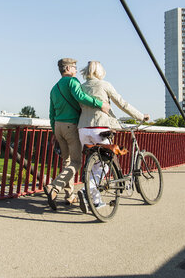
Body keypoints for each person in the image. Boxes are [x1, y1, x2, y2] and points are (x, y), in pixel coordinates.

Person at [76, 61, 149, 213]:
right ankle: (86, 191)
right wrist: (141, 116)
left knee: (94, 165)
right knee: (106, 165)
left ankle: (95, 201)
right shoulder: (105, 85)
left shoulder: (81, 87)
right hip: (100, 128)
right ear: (100, 71)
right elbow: (122, 104)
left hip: (83, 129)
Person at [44, 58, 110, 210]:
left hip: (59, 127)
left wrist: (55, 131)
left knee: (67, 161)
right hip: (71, 126)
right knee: (76, 162)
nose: (75, 69)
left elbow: (51, 113)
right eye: (73, 67)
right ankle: (53, 187)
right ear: (67, 68)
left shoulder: (54, 88)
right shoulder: (72, 82)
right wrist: (100, 104)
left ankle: (69, 196)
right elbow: (81, 97)